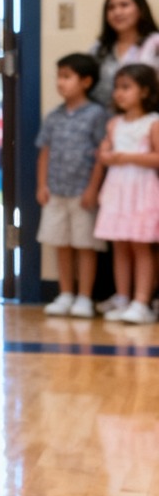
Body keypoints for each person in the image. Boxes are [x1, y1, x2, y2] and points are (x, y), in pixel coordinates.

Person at [35, 53, 108, 318]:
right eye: (59, 76)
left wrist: (93, 188)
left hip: (83, 192)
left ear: (86, 81)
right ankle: (65, 293)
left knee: (85, 245)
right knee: (60, 243)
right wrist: (42, 185)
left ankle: (85, 297)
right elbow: (45, 151)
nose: (60, 82)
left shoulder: (97, 114)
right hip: (55, 191)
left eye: (67, 77)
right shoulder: (53, 116)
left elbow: (102, 153)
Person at [92, 64, 159, 323]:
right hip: (117, 191)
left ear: (144, 91)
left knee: (141, 247)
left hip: (141, 191)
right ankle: (122, 296)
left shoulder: (152, 123)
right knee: (119, 246)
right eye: (117, 88)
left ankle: (142, 300)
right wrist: (106, 155)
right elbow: (105, 154)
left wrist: (127, 157)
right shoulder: (114, 123)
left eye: (126, 87)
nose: (119, 93)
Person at [88, 0, 159, 108]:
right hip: (106, 121)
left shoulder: (154, 43)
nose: (117, 12)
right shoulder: (99, 48)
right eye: (111, 8)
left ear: (141, 10)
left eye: (124, 5)